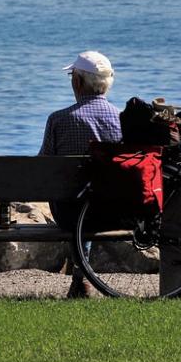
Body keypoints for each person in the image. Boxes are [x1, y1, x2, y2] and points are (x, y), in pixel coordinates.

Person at [39, 51, 122, 297]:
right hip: (113, 211)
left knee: (76, 199)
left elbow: (41, 167)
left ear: (77, 82)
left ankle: (82, 277)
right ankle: (81, 278)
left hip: (69, 213)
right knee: (93, 194)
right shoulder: (122, 119)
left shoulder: (59, 120)